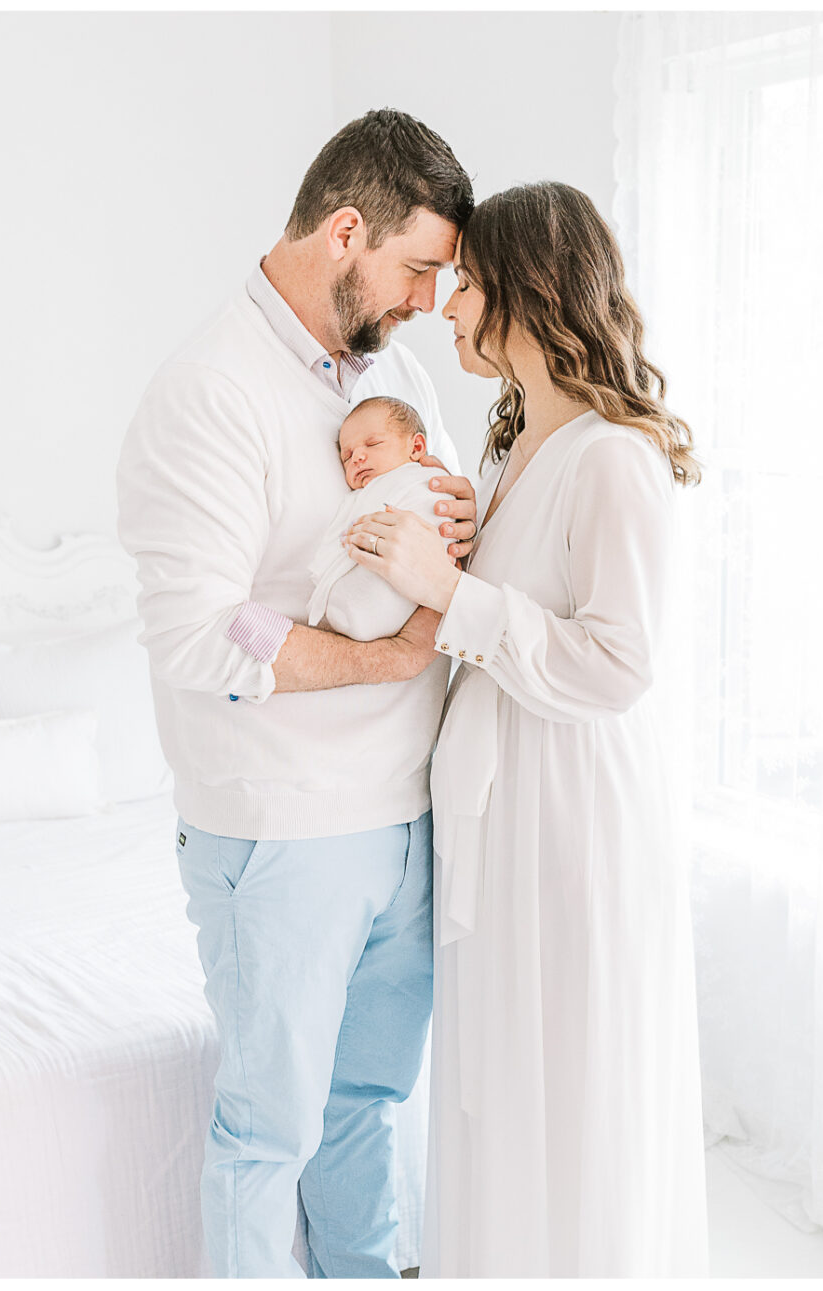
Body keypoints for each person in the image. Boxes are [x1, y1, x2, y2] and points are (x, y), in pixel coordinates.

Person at [116, 109, 480, 1277]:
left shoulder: (396, 370)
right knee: (270, 1131)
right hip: (281, 833)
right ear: (344, 232)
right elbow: (200, 634)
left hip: (405, 816)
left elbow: (429, 532)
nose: (431, 297)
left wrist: (459, 526)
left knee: (368, 1107)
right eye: (419, 267)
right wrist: (384, 655)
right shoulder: (209, 394)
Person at [344, 180, 709, 1276]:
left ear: (527, 292)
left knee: (572, 1077)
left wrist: (453, 597)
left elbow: (618, 661)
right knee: (503, 1078)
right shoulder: (509, 453)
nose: (447, 307)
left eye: (465, 285)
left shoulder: (615, 458)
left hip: (572, 816)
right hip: (504, 814)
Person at [309, 396, 448, 641]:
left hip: (386, 607)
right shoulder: (361, 497)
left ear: (416, 448)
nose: (357, 458)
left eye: (373, 444)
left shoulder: (423, 484)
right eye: (347, 456)